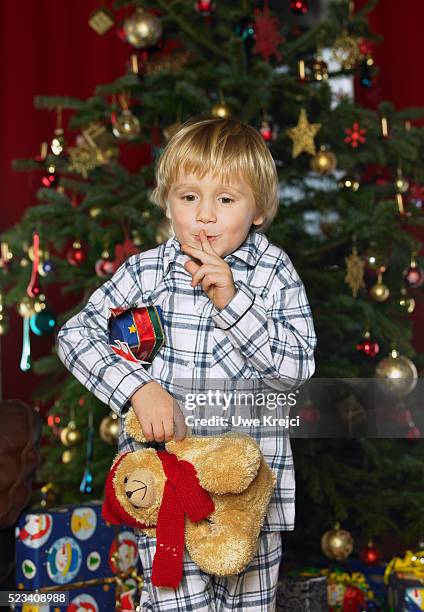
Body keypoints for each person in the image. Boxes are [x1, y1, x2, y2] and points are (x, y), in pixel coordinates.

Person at [56, 117, 317, 611]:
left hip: (249, 500)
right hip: (167, 491)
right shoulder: (143, 273)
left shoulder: (275, 273)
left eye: (225, 199)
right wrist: (137, 387)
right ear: (167, 200)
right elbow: (76, 335)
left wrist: (234, 305)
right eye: (189, 196)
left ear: (257, 209)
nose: (205, 217)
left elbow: (297, 369)